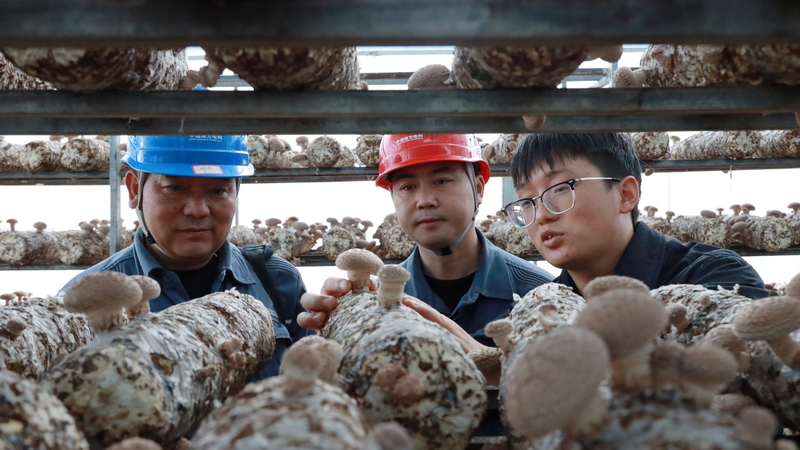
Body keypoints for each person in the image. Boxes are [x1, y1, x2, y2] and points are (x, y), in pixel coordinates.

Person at [62, 135, 309, 379]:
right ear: (134, 190)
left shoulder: (278, 281)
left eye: (217, 190)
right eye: (174, 188)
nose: (197, 210)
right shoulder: (84, 300)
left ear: (236, 194)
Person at [298, 134, 554, 359]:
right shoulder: (375, 306)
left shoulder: (541, 294)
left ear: (478, 189)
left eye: (441, 181)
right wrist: (338, 329)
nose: (425, 200)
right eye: (408, 187)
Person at [504, 132, 767, 299]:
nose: (540, 216)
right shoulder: (540, 304)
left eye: (560, 188)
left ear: (626, 194)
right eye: (526, 201)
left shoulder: (716, 278)